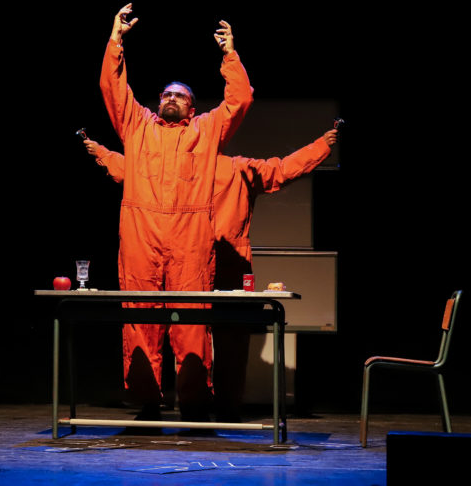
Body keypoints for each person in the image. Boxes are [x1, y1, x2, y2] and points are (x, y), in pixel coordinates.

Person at [83, 128, 338, 421]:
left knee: (217, 337)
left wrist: (320, 147)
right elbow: (130, 170)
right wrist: (101, 153)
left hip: (224, 264)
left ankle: (208, 406)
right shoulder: (178, 168)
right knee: (181, 335)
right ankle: (185, 405)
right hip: (189, 262)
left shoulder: (234, 168)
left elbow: (280, 170)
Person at [100, 3, 254, 422]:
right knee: (140, 316)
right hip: (141, 229)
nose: (170, 98)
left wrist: (230, 55)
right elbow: (114, 88)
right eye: (166, 94)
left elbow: (239, 100)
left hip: (190, 235)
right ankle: (148, 400)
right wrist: (116, 40)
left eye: (180, 96)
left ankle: (194, 402)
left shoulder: (206, 130)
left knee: (192, 321)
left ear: (191, 107)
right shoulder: (137, 126)